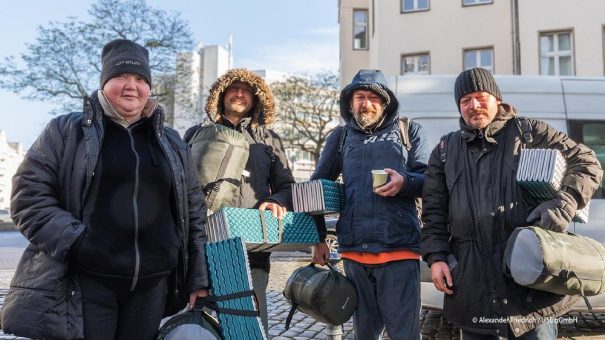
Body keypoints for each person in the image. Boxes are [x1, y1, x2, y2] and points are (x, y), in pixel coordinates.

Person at [3, 39, 209, 340]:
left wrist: (197, 276)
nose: (131, 86)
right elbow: (28, 198)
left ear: (149, 87)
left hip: (152, 288)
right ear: (104, 83)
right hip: (86, 284)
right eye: (121, 76)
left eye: (140, 79)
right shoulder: (64, 132)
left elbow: (195, 214)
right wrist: (79, 242)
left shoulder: (173, 142)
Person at [421, 67, 603, 339]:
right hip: (472, 286)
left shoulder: (529, 132)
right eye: (465, 100)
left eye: (481, 97)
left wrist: (563, 204)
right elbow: (433, 212)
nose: (474, 105)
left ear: (497, 98)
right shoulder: (445, 151)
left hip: (531, 285)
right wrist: (436, 258)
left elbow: (587, 163)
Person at [311, 69, 429, 340]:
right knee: (363, 335)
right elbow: (315, 189)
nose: (366, 103)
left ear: (385, 103)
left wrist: (405, 182)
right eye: (360, 97)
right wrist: (317, 238)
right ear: (350, 103)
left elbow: (430, 181)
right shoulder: (340, 137)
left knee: (405, 335)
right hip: (354, 253)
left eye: (374, 97)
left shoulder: (409, 131)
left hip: (399, 249)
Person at [185, 68, 295, 333]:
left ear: (257, 99)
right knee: (205, 322)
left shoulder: (269, 139)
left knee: (251, 321)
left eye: (246, 90)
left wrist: (277, 200)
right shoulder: (197, 134)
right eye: (233, 88)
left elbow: (287, 185)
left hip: (253, 247)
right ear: (220, 95)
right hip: (205, 243)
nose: (239, 94)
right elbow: (180, 184)